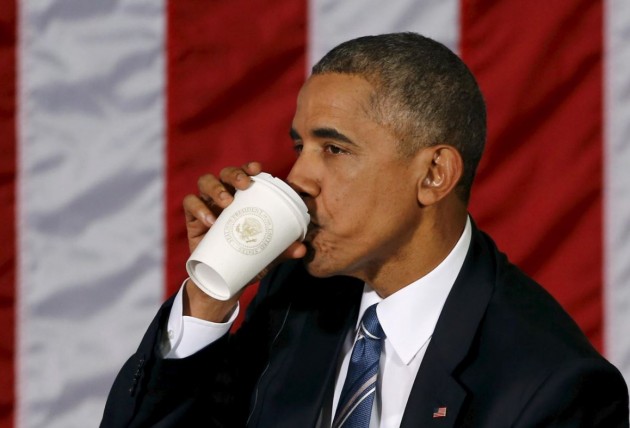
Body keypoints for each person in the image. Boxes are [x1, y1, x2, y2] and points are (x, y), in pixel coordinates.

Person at [101, 32, 629, 427]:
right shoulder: (292, 299)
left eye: (334, 149)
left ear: (434, 174)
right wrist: (211, 292)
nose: (298, 178)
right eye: (300, 147)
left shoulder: (552, 386)